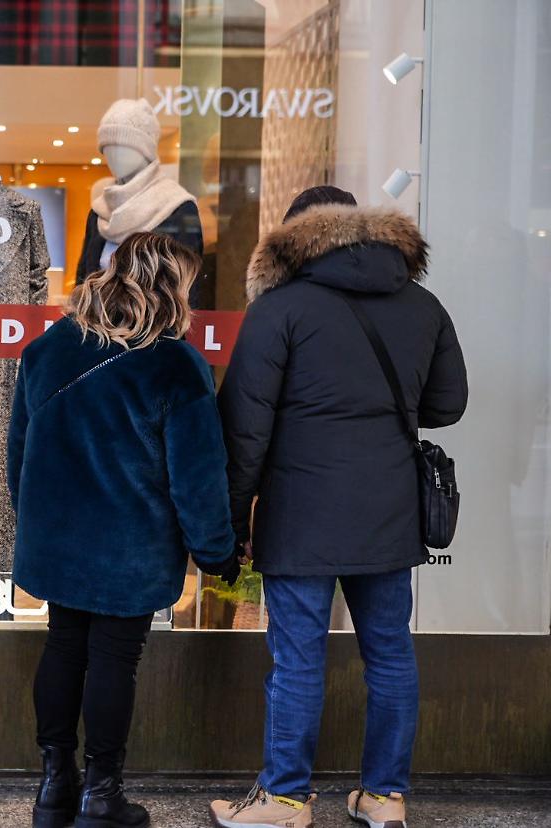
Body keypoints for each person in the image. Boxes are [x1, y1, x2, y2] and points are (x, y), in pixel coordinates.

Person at [209, 187, 468, 828]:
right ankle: (384, 796)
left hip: (302, 512)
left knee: (298, 656)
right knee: (389, 652)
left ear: (298, 238)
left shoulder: (280, 309)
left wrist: (230, 519)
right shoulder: (423, 304)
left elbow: (244, 429)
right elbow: (447, 405)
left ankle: (285, 800)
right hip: (389, 510)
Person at [9, 232, 239, 828]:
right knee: (115, 657)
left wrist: (34, 519)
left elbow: (19, 455)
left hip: (57, 537)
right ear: (171, 285)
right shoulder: (176, 363)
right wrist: (216, 552)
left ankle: (55, 788)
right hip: (129, 546)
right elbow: (197, 474)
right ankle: (101, 796)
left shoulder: (48, 348)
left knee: (63, 646)